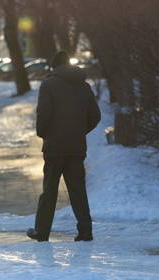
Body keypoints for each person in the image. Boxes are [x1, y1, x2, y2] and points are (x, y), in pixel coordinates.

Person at [27, 50, 101, 242]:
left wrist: (44, 133)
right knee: (78, 190)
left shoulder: (49, 85)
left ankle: (41, 232)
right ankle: (85, 231)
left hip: (54, 147)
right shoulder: (84, 86)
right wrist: (78, 132)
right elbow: (95, 116)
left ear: (54, 67)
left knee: (49, 190)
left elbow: (44, 114)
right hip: (76, 147)